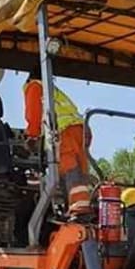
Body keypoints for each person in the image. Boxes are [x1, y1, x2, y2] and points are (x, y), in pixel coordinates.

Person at [24, 72, 91, 217]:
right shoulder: (52, 90)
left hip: (64, 131)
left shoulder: (34, 86)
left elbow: (34, 113)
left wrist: (32, 137)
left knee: (69, 167)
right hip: (81, 129)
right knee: (80, 172)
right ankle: (81, 206)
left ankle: (78, 210)